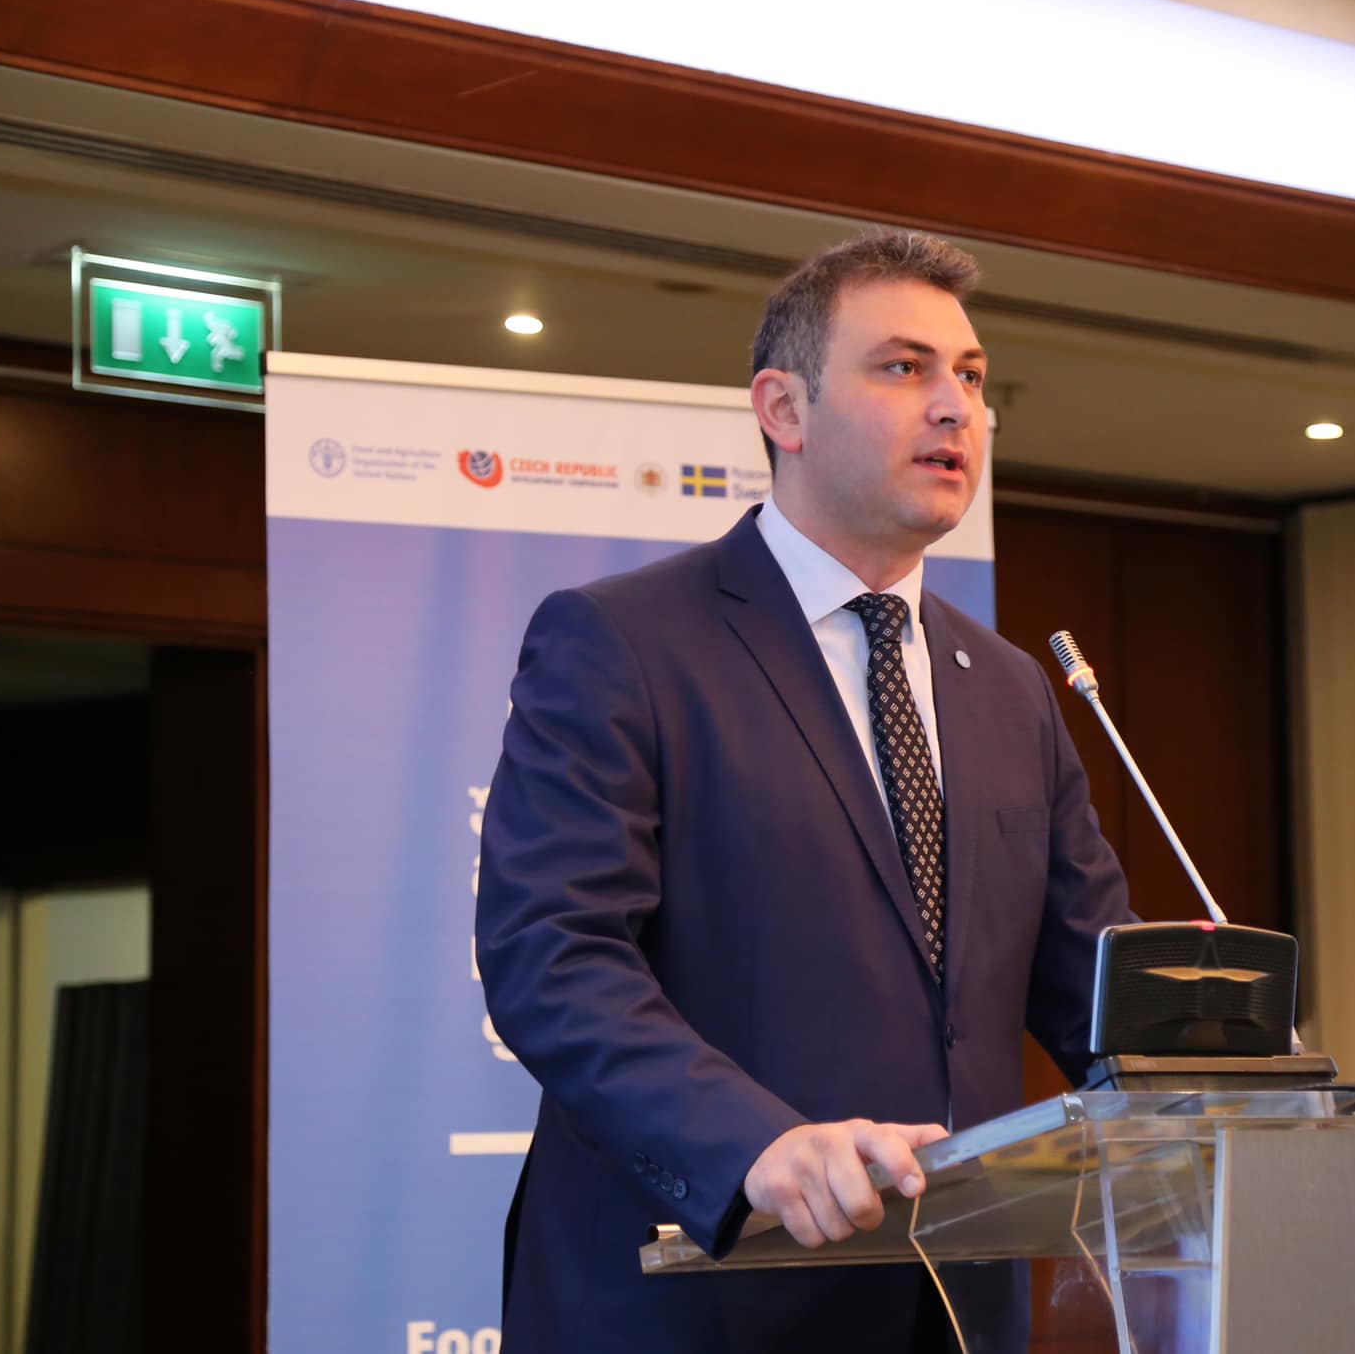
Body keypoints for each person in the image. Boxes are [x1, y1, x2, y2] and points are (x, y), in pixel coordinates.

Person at [476, 229, 1133, 1354]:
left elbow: (1096, 992)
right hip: (698, 1297)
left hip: (949, 1307)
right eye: (903, 367)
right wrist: (754, 1146)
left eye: (972, 377)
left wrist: (1257, 1105)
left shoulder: (1009, 685)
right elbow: (554, 955)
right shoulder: (626, 641)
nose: (955, 407)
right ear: (783, 408)